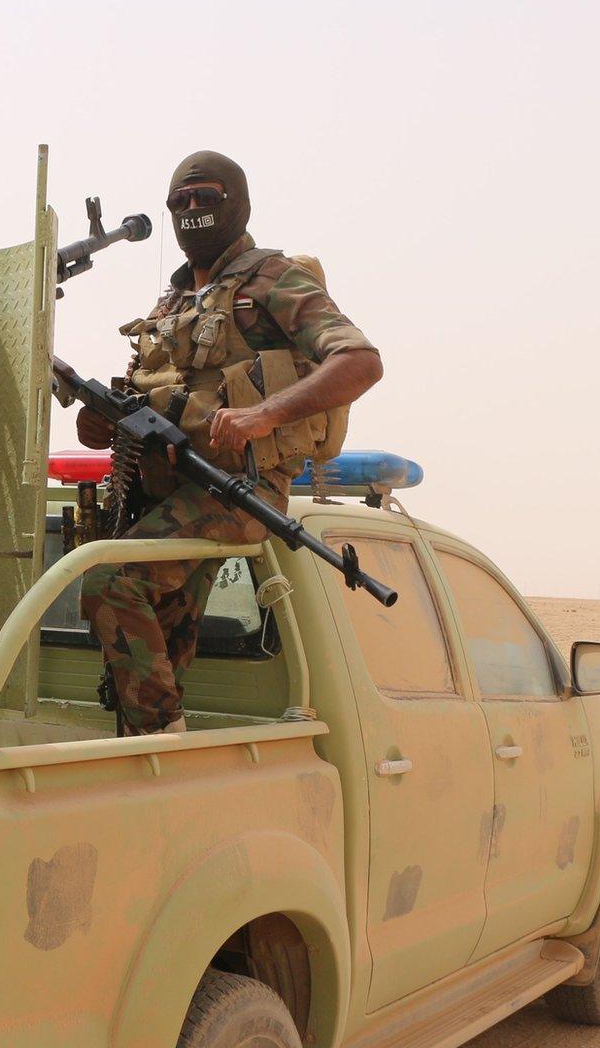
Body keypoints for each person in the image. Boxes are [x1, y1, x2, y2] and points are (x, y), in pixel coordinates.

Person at [76, 151, 383, 734]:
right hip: (162, 491)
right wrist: (102, 423)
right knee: (159, 636)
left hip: (238, 488)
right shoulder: (170, 303)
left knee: (110, 580)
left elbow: (360, 361)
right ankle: (148, 758)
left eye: (206, 197)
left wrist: (264, 415)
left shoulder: (273, 278)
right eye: (180, 201)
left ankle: (160, 739)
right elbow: (156, 392)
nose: (192, 209)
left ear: (239, 203)